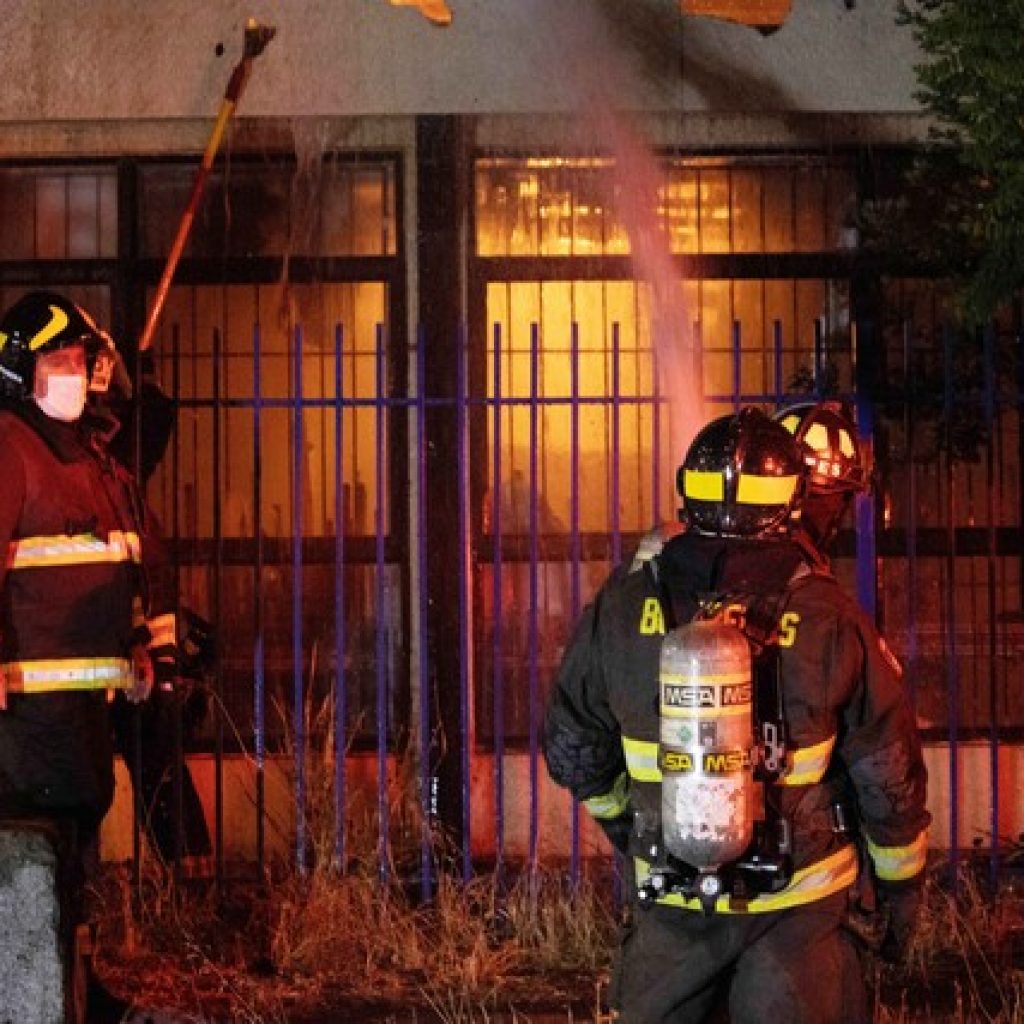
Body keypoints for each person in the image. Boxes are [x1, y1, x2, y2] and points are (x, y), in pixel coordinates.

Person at [544, 406, 929, 1024]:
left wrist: (632, 828)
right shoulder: (829, 616)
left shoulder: (623, 603)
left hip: (672, 907)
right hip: (799, 917)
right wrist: (900, 889)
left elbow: (570, 746)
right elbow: (889, 775)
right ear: (792, 500)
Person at [0, 290, 156, 1019]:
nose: (72, 371)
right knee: (45, 859)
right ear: (18, 369)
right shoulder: (9, 447)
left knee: (80, 854)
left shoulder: (88, 456)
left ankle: (75, 991)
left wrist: (135, 648)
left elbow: (118, 561)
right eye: (56, 359)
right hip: (27, 716)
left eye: (78, 359)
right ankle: (46, 994)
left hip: (84, 711)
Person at [85, 333, 214, 876]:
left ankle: (189, 875)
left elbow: (150, 425)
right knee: (127, 759)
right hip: (101, 632)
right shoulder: (71, 450)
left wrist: (148, 384)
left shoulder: (106, 454)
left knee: (154, 754)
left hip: (134, 628)